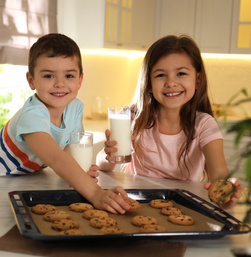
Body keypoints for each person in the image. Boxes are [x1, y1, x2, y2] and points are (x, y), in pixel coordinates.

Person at [0, 33, 130, 214]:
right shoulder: (32, 115)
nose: (60, 84)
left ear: (79, 80)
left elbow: (69, 149)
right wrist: (95, 193)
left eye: (69, 76)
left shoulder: (74, 107)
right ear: (31, 81)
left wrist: (81, 173)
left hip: (3, 183)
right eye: (48, 76)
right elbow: (55, 159)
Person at [97, 35, 243, 210]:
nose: (171, 83)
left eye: (181, 73)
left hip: (182, 207)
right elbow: (102, 166)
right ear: (149, 84)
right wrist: (108, 156)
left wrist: (228, 190)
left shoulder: (204, 125)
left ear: (197, 80)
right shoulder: (134, 117)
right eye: (161, 75)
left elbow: (219, 174)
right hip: (133, 203)